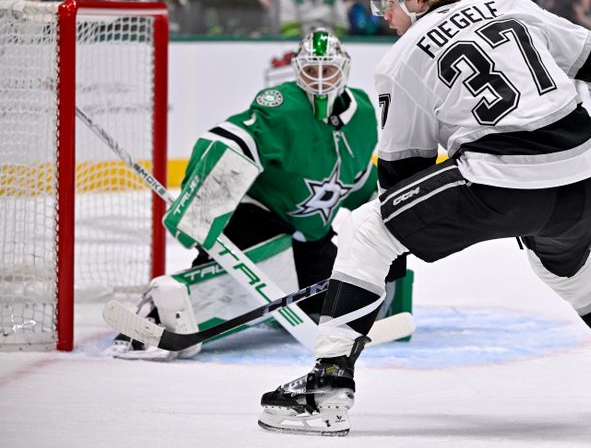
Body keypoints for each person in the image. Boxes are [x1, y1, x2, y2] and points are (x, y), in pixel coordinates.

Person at [258, 0, 591, 437]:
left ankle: (326, 388)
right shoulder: (511, 4)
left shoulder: (402, 59)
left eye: (390, 0)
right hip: (585, 177)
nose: (385, 15)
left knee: (367, 230)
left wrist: (383, 259)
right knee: (566, 267)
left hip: (500, 181)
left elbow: (403, 173)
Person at [107, 28, 409, 359]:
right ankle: (153, 313)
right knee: (235, 279)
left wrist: (389, 228)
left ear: (344, 70)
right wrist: (202, 201)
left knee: (331, 295)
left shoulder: (362, 113)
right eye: (311, 70)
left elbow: (360, 180)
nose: (321, 79)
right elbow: (231, 139)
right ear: (298, 71)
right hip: (258, 218)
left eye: (329, 70)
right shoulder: (283, 107)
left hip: (310, 239)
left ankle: (278, 301)